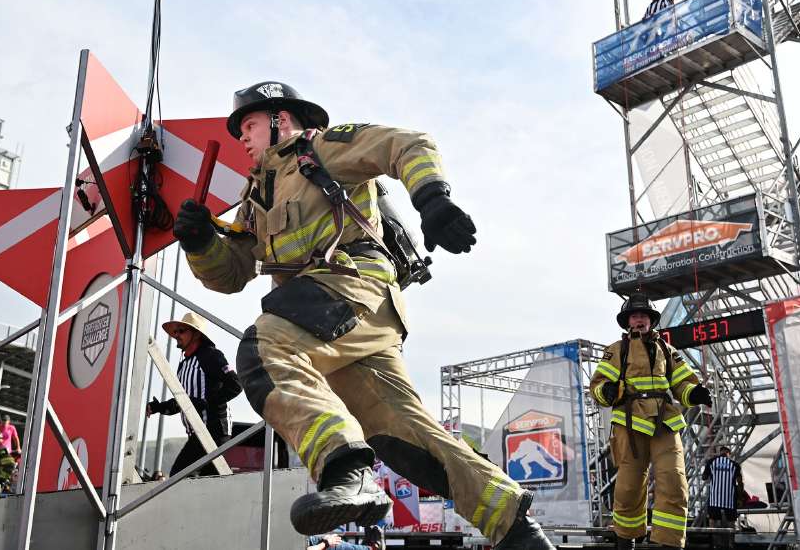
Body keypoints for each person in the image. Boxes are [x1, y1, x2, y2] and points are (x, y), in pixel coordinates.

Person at [173, 82, 551, 549]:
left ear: (281, 119)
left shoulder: (322, 148)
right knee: (405, 437)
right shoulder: (258, 196)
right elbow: (231, 276)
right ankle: (518, 528)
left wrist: (433, 198)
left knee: (263, 349)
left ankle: (346, 471)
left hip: (353, 288)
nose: (241, 138)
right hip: (330, 322)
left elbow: (408, 143)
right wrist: (200, 244)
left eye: (247, 125)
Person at [589, 294, 713, 549]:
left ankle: (668, 543)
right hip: (630, 423)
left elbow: (682, 384)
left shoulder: (668, 351)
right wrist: (607, 391)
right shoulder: (616, 350)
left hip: (665, 423)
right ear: (627, 322)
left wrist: (694, 393)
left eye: (644, 315)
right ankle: (626, 539)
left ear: (651, 320)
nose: (639, 319)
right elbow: (598, 385)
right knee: (629, 486)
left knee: (674, 480)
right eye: (634, 315)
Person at [145, 312, 242, 477]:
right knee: (206, 482)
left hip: (213, 431)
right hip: (197, 434)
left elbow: (235, 384)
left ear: (196, 334)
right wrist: (158, 407)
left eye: (181, 331)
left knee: (178, 476)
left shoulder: (210, 356)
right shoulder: (183, 366)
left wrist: (206, 402)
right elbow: (184, 402)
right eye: (175, 332)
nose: (176, 335)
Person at [702, 446, 742, 549]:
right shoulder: (735, 465)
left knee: (713, 521)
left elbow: (704, 477)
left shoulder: (711, 462)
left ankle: (715, 544)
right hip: (729, 497)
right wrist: (740, 498)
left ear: (720, 453)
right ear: (729, 453)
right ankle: (730, 544)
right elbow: (740, 483)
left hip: (715, 497)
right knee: (731, 522)